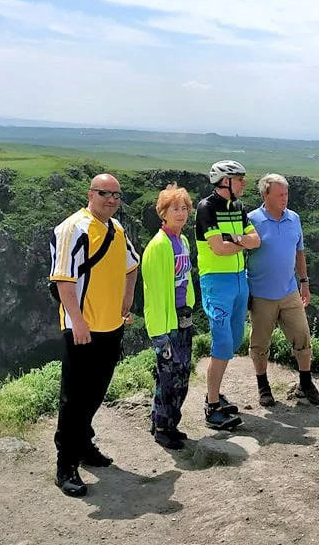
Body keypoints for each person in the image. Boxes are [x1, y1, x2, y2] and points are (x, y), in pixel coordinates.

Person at [47, 173, 140, 497]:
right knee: (74, 397)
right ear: (91, 193)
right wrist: (78, 322)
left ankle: (84, 446)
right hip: (82, 328)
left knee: (97, 390)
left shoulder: (116, 229)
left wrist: (127, 299)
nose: (111, 199)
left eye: (116, 194)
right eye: (105, 193)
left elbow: (132, 265)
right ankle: (65, 465)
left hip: (111, 326)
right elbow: (63, 280)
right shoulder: (73, 228)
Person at [246, 173, 319, 407]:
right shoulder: (251, 220)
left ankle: (306, 384)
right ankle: (263, 387)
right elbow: (240, 256)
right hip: (261, 294)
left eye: (286, 194)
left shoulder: (294, 219)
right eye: (280, 194)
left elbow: (299, 252)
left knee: (302, 336)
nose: (285, 198)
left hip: (289, 291)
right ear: (265, 195)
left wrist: (304, 282)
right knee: (260, 343)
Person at [195, 159, 260, 429]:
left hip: (238, 279)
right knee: (221, 343)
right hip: (216, 282)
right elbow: (217, 249)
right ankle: (211, 406)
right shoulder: (206, 207)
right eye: (239, 178)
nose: (244, 183)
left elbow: (256, 241)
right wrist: (240, 243)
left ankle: (215, 392)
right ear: (225, 182)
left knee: (234, 339)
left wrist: (234, 241)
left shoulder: (238, 207)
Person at [141, 183, 196, 449]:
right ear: (163, 212)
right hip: (167, 320)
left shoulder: (183, 241)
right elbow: (152, 293)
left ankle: (172, 422)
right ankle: (161, 425)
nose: (181, 213)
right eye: (175, 208)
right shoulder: (157, 246)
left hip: (183, 316)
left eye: (184, 208)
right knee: (167, 376)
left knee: (182, 374)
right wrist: (159, 334)